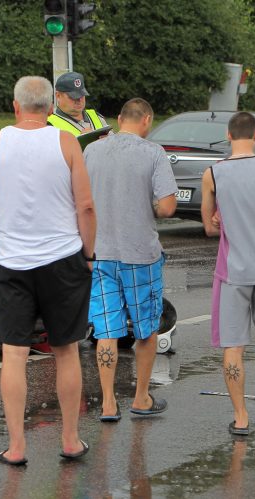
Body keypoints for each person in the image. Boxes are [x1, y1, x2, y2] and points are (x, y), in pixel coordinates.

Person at [0, 76, 96, 465]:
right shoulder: (66, 142)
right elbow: (86, 207)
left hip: (11, 261)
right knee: (66, 350)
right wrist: (88, 253)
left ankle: (17, 446)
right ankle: (70, 440)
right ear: (49, 107)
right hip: (62, 258)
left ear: (15, 106)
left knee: (14, 353)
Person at [84, 97, 177, 421]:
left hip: (101, 254)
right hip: (140, 255)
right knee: (146, 329)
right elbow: (166, 207)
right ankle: (141, 398)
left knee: (106, 330)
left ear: (120, 118)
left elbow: (80, 201)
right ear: (146, 120)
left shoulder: (92, 151)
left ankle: (108, 403)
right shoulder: (153, 153)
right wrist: (146, 205)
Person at [201, 111, 255, 436]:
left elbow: (209, 227)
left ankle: (240, 417)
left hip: (233, 271)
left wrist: (222, 219)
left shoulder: (213, 174)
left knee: (233, 346)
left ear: (228, 135)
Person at [47, 71, 109, 135]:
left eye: (81, 95)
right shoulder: (49, 125)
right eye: (73, 97)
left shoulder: (96, 116)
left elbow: (114, 143)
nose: (79, 100)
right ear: (58, 96)